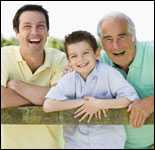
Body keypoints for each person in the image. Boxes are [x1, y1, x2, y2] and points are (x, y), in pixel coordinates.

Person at [43, 30, 139, 149]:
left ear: (96, 53)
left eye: (85, 53)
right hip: (76, 145)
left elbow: (130, 98)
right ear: (69, 60)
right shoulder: (68, 80)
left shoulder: (109, 74)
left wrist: (99, 104)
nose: (80, 60)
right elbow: (48, 105)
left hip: (109, 144)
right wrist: (84, 102)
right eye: (74, 56)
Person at [1, 4, 67, 149]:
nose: (34, 32)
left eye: (40, 26)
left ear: (48, 32)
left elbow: (61, 98)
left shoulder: (59, 59)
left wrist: (18, 86)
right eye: (27, 26)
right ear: (17, 32)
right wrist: (42, 99)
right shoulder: (3, 56)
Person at [97, 11, 154, 149]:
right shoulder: (98, 64)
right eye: (108, 39)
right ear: (101, 42)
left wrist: (151, 102)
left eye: (121, 37)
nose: (116, 46)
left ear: (133, 36)